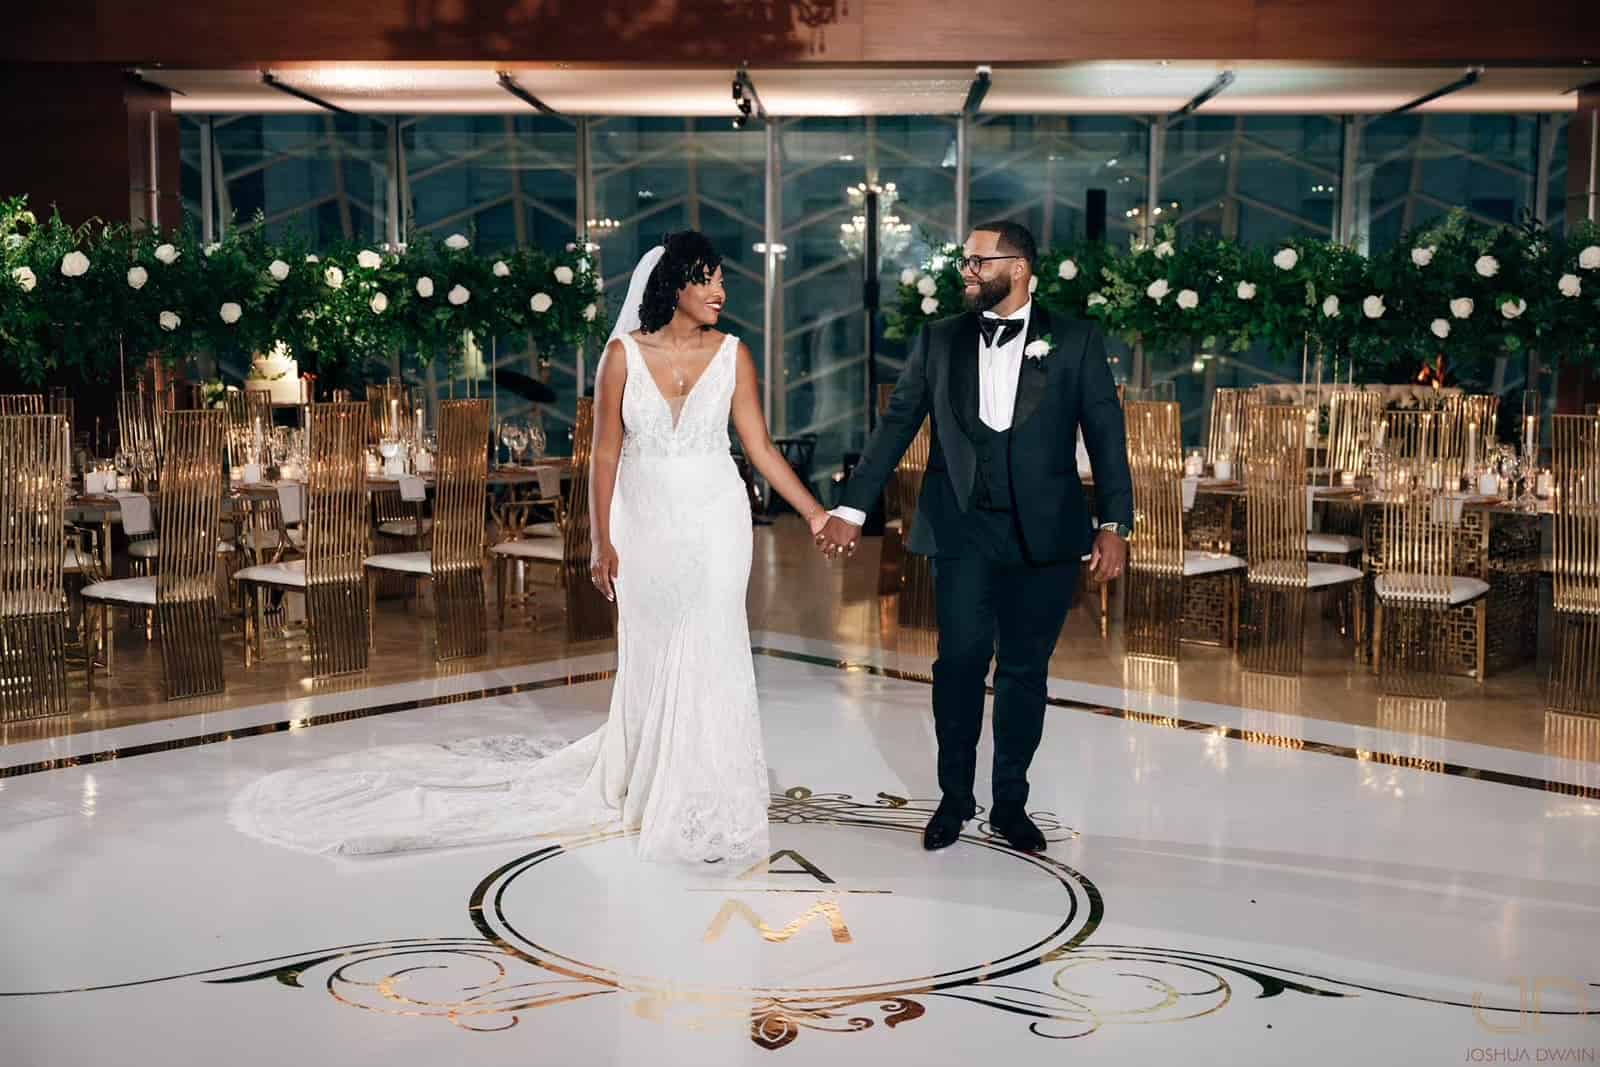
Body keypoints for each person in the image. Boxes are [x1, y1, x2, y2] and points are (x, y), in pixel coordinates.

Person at [229, 232, 829, 865]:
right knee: (652, 651)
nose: (719, 291)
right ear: (673, 285)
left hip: (715, 514)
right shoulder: (623, 355)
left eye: (721, 280)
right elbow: (604, 454)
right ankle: (652, 779)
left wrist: (815, 514)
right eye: (706, 279)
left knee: (714, 640)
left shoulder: (734, 355)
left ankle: (714, 786)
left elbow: (759, 448)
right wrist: (600, 540)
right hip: (645, 519)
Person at [814, 220, 1133, 854]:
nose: (966, 270)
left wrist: (1115, 524)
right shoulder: (939, 340)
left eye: (978, 262)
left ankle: (1010, 804)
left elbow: (1106, 437)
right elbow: (896, 426)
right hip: (961, 531)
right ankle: (954, 800)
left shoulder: (1074, 340)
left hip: (1044, 537)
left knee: (1024, 673)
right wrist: (851, 507)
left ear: (1018, 267)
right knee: (957, 664)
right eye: (965, 261)